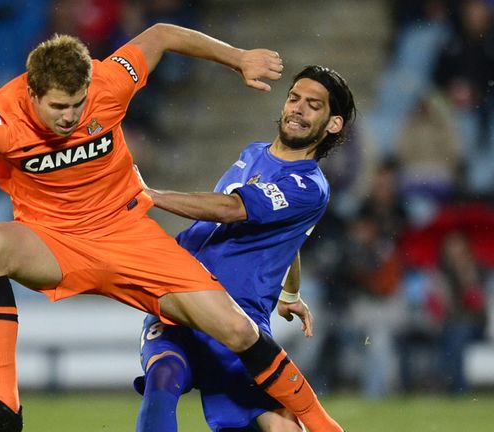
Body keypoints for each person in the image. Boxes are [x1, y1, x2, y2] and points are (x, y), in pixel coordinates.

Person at [0, 24, 342, 432]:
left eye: (78, 105)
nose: (71, 118)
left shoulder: (108, 84)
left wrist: (238, 59)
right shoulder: (3, 121)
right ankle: (5, 403)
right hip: (58, 243)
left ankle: (320, 423)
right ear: (33, 95)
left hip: (129, 236)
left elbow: (161, 34)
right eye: (59, 108)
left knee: (239, 332)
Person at [133, 65, 356, 431]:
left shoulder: (307, 185)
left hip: (237, 316)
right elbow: (288, 236)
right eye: (294, 98)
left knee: (280, 424)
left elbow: (233, 209)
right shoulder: (253, 152)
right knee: (163, 376)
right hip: (180, 293)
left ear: (333, 124)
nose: (298, 109)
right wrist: (291, 290)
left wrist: (151, 196)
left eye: (313, 105)